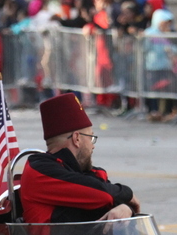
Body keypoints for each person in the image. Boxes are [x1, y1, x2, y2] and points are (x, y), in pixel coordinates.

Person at [20, 93, 140, 224]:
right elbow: (102, 195)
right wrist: (127, 193)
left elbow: (108, 197)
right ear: (77, 139)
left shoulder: (81, 170)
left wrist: (125, 208)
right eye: (90, 138)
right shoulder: (40, 170)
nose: (92, 146)